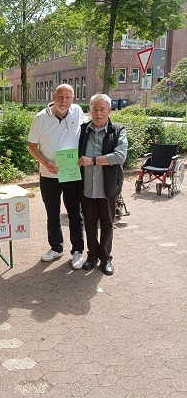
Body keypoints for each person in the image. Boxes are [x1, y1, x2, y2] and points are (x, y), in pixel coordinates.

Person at [28, 83, 85, 269]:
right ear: (54, 96)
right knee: (52, 215)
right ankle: (56, 247)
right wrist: (45, 163)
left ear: (73, 99)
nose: (63, 101)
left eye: (68, 97)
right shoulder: (40, 118)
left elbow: (85, 135)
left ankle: (77, 251)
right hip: (48, 174)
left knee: (75, 214)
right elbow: (31, 146)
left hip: (71, 172)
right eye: (60, 97)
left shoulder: (77, 111)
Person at [78, 93, 128, 276]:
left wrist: (94, 160)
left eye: (102, 109)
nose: (98, 113)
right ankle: (92, 256)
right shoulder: (83, 130)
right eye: (95, 109)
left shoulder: (118, 130)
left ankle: (106, 258)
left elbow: (120, 156)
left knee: (107, 223)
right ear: (90, 110)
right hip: (87, 187)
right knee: (89, 224)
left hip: (107, 187)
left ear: (109, 110)